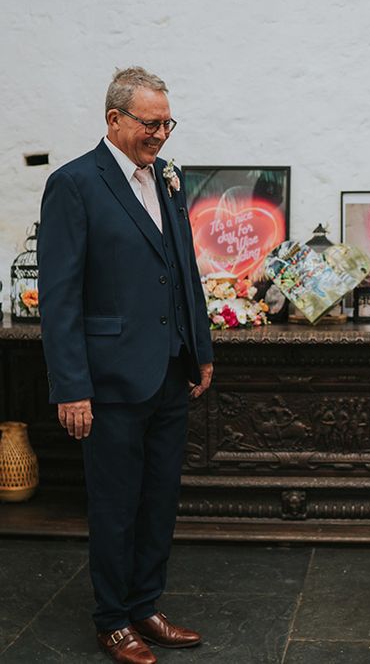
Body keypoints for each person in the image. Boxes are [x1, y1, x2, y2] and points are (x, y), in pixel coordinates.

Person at [38, 67, 213, 664]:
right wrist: (71, 386)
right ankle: (111, 619)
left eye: (167, 122)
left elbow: (182, 268)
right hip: (107, 378)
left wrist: (201, 349)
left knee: (159, 499)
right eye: (150, 122)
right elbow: (60, 296)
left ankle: (146, 605)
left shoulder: (168, 180)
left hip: (168, 370)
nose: (161, 134)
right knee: (114, 505)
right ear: (114, 120)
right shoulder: (75, 184)